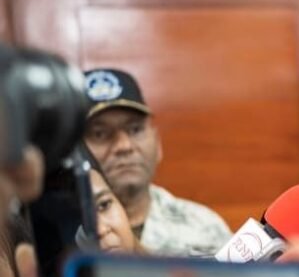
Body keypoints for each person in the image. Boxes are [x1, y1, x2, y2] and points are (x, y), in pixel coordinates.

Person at [82, 68, 231, 256]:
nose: (124, 146)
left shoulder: (204, 227)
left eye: (135, 129)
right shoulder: (64, 236)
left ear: (157, 143)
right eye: (100, 134)